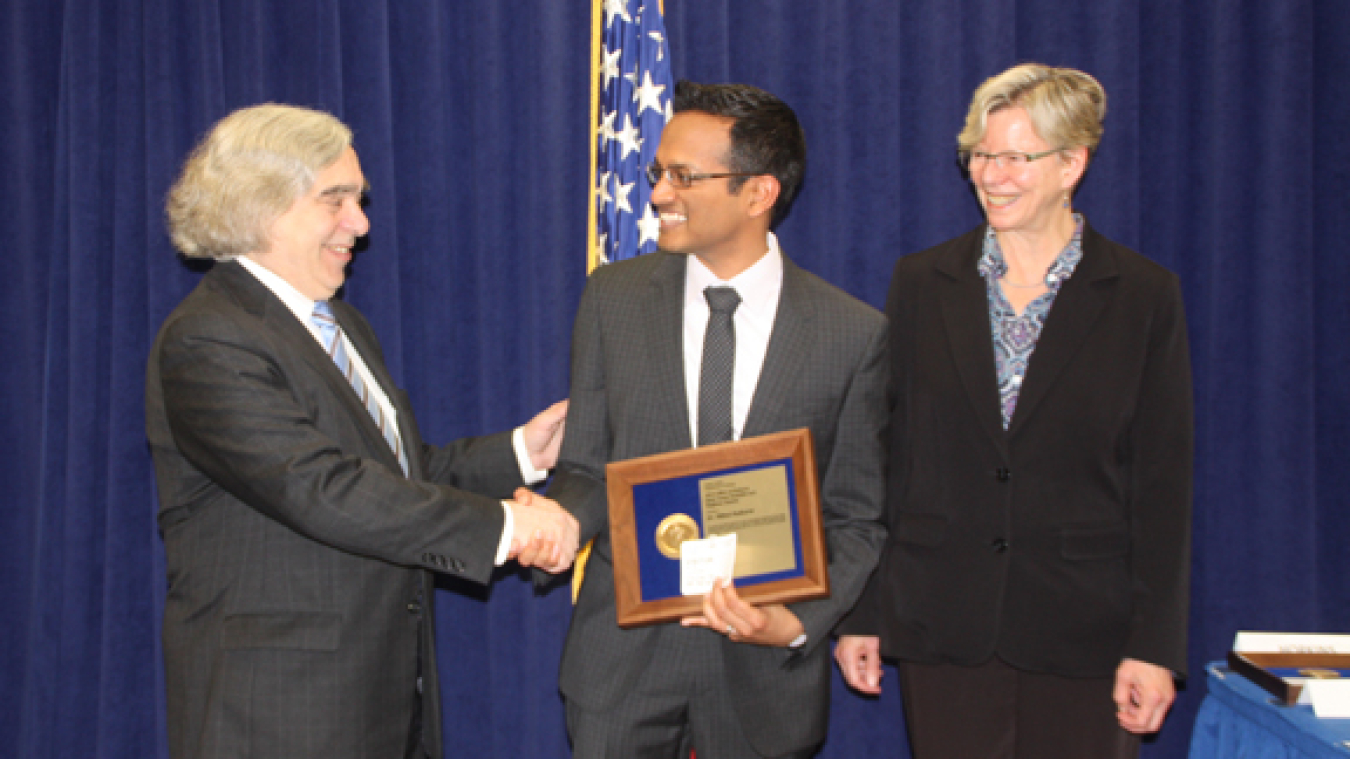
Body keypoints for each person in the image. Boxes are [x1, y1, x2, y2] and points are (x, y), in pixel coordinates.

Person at [145, 103, 579, 759]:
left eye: (359, 199)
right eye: (336, 200)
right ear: (260, 204)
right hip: (277, 715)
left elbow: (395, 477)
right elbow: (321, 488)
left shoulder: (342, 328)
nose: (361, 223)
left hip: (379, 702)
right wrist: (508, 527)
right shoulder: (209, 337)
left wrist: (522, 452)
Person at [834, 63, 1193, 758]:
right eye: (980, 155)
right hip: (944, 622)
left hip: (1087, 630)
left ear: (1071, 164)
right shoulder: (921, 282)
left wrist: (1154, 646)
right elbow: (887, 457)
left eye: (1014, 157)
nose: (991, 174)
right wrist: (864, 610)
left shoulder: (1144, 295)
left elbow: (1163, 482)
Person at [542, 81, 887, 758]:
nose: (659, 194)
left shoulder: (853, 333)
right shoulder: (613, 300)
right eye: (657, 173)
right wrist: (556, 521)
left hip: (762, 682)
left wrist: (793, 622)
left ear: (758, 193)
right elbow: (585, 468)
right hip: (621, 668)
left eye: (684, 176)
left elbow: (856, 515)